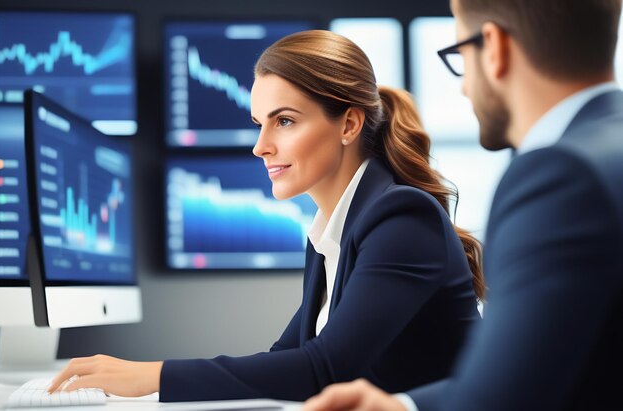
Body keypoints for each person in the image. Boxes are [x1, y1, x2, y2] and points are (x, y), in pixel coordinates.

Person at [47, 30, 485, 401]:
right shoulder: (333, 231)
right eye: (259, 122)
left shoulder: (402, 218)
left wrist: (155, 376)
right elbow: (285, 359)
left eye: (285, 121)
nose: (261, 146)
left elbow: (324, 368)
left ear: (349, 125)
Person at [302, 1, 623, 410]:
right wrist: (403, 406)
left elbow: (503, 401)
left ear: (494, 47)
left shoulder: (560, 177)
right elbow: (553, 370)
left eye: (460, 57)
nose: (464, 86)